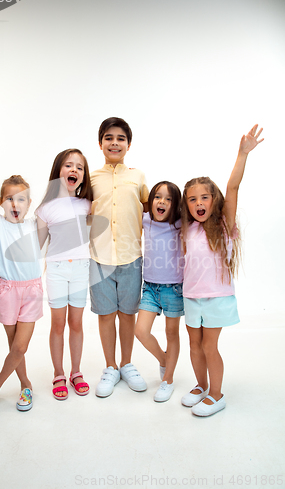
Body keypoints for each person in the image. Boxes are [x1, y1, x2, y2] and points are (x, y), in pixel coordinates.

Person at [180, 124, 264, 416]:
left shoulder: (224, 225)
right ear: (187, 205)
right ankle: (202, 385)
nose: (199, 202)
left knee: (208, 346)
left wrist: (242, 154)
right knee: (194, 345)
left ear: (213, 200)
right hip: (191, 296)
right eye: (192, 199)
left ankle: (217, 394)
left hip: (216, 297)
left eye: (204, 197)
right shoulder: (187, 229)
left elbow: (233, 187)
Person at [0, 142, 43, 416]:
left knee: (21, 346)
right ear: (2, 203)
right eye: (9, 199)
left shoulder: (35, 225)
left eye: (21, 199)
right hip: (7, 291)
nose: (14, 203)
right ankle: (26, 384)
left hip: (32, 291)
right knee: (14, 347)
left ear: (29, 204)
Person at [89, 117, 149, 398]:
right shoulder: (91, 178)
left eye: (121, 138)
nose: (115, 143)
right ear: (100, 143)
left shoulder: (137, 176)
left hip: (130, 257)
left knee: (127, 315)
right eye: (109, 138)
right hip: (99, 258)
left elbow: (153, 210)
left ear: (128, 144)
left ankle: (126, 363)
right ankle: (110, 366)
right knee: (105, 315)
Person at [36, 149, 93, 400]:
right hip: (57, 271)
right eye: (68, 166)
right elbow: (34, 246)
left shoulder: (88, 205)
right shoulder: (45, 209)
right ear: (58, 170)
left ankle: (76, 372)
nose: (74, 170)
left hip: (81, 269)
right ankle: (59, 373)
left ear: (83, 176)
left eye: (79, 167)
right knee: (58, 324)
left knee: (77, 324)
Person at [135, 181, 184, 402]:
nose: (162, 202)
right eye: (157, 197)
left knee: (171, 334)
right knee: (141, 331)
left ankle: (169, 380)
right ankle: (164, 360)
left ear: (175, 205)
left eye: (168, 198)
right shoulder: (146, 220)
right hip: (150, 287)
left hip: (173, 288)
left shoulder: (180, 224)